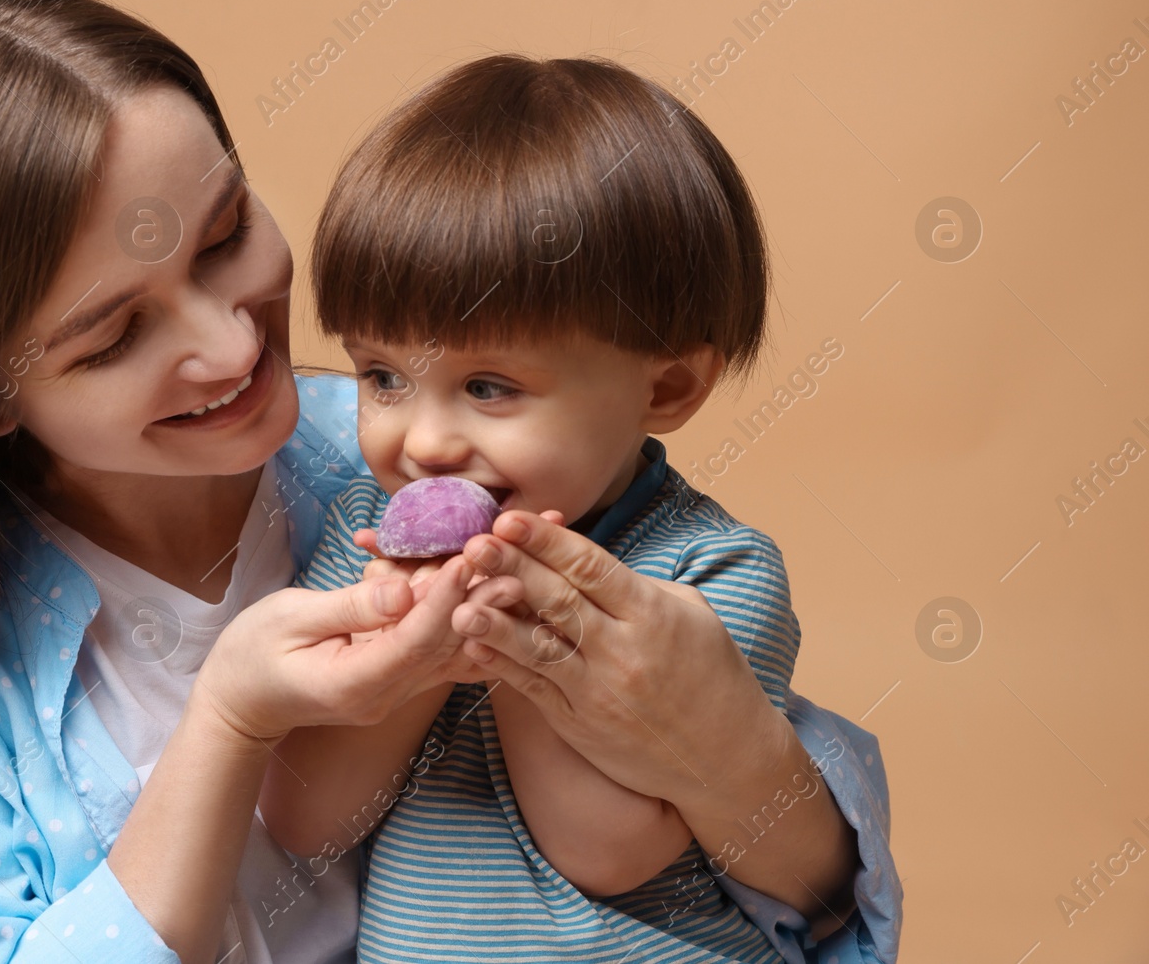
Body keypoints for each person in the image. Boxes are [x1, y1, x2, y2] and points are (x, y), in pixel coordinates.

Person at [0, 0, 900, 964]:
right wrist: (230, 716)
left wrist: (737, 764)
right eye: (113, 335)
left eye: (222, 236)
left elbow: (812, 897)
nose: (229, 344)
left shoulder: (398, 463)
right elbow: (307, 809)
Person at [260, 54, 889, 962]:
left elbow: (608, 851)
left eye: (488, 385)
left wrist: (514, 638)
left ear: (665, 388)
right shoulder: (366, 532)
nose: (424, 442)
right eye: (383, 376)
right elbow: (308, 816)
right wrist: (415, 643)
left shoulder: (707, 574)